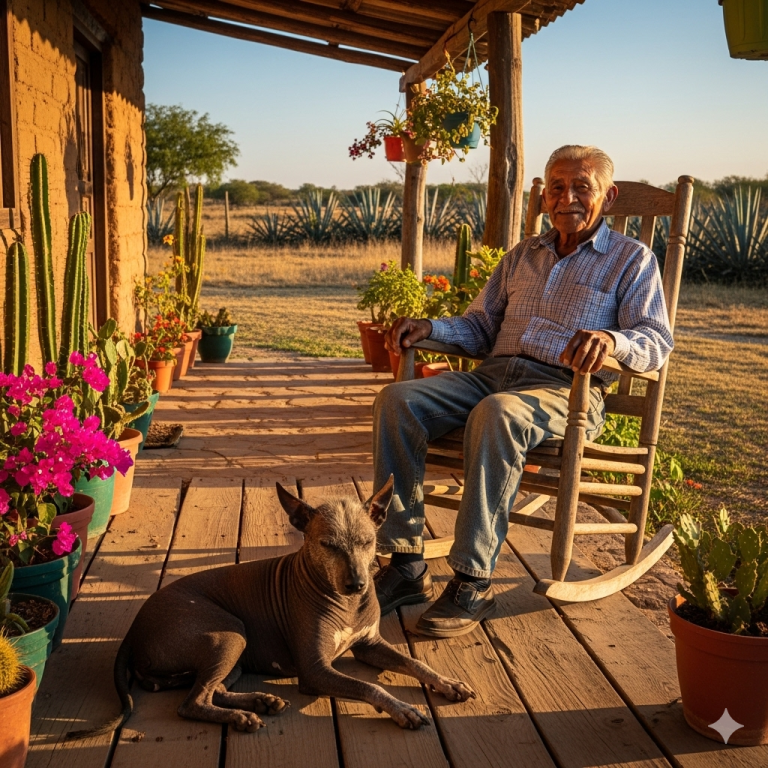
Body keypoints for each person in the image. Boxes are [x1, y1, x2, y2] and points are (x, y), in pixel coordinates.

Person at [372, 145, 673, 638]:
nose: (567, 198)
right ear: (545, 196)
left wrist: (611, 340)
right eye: (557, 187)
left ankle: (472, 582)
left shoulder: (631, 260)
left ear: (609, 195)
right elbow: (479, 327)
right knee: (397, 401)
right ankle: (405, 565)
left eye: (582, 187)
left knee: (499, 412)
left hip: (566, 391)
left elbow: (656, 341)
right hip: (493, 376)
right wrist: (430, 327)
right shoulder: (522, 255)